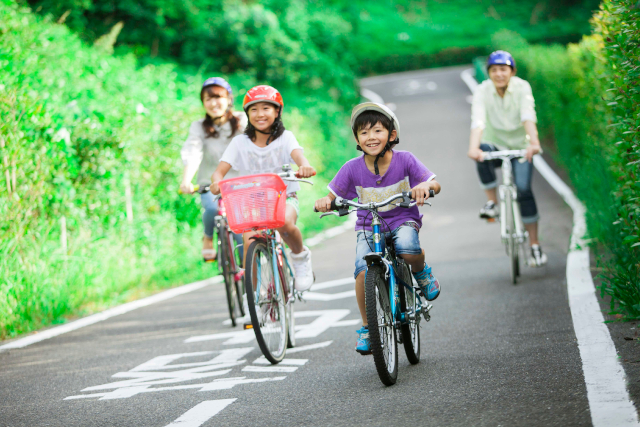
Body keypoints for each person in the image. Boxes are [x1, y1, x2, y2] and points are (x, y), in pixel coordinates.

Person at [314, 102, 441, 355]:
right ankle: (367, 327)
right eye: (363, 133)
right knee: (362, 271)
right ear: (357, 140)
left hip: (402, 218)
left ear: (391, 135)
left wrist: (425, 188)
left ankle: (421, 271)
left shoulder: (405, 160)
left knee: (406, 246)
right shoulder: (351, 168)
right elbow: (331, 195)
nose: (370, 137)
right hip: (368, 225)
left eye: (377, 131)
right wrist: (325, 202)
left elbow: (434, 184)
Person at [210, 85, 316, 291]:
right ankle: (257, 297)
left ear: (277, 111)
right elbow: (219, 172)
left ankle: (300, 257)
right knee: (249, 243)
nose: (260, 114)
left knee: (284, 223)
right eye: (254, 109)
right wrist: (216, 182)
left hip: (284, 197)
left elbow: (298, 156)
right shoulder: (239, 142)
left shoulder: (286, 138)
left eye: (266, 108)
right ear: (247, 113)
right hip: (252, 202)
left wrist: (304, 166)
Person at [467, 50, 547, 267]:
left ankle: (534, 245)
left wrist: (534, 143)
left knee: (523, 190)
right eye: (494, 70)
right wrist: (473, 148)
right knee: (481, 151)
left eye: (503, 69)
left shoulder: (522, 87)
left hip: (521, 147)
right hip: (495, 144)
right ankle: (492, 203)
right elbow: (478, 120)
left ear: (512, 71)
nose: (499, 74)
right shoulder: (482, 90)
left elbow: (527, 115)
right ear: (489, 73)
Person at [180, 77, 246, 261]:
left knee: (243, 230)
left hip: (241, 184)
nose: (213, 103)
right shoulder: (199, 126)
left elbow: (257, 144)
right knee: (213, 209)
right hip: (211, 184)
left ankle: (249, 274)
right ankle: (208, 237)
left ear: (229, 99)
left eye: (218, 97)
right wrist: (186, 180)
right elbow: (193, 151)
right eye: (208, 99)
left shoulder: (242, 120)